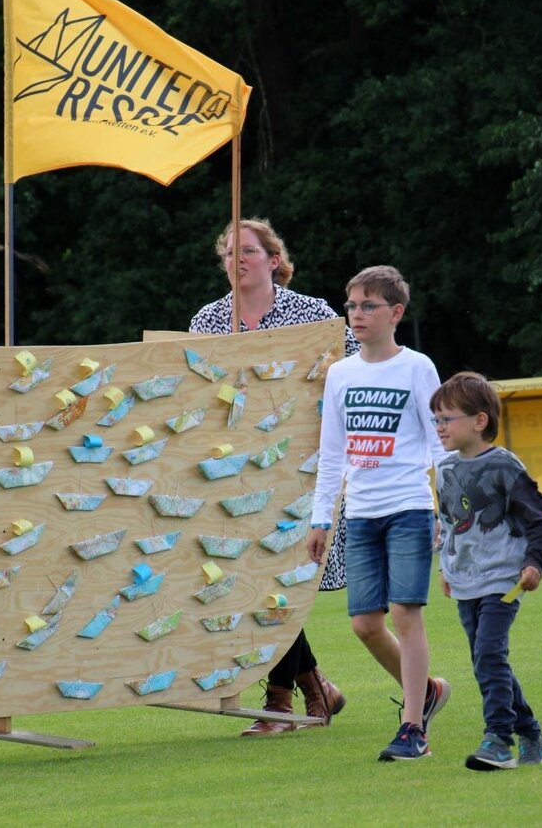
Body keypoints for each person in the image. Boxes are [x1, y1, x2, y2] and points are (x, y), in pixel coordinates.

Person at [189, 217, 354, 735]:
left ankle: (281, 703)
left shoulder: (312, 314)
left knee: (279, 578)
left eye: (249, 252)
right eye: (230, 254)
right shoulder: (209, 321)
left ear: (274, 260)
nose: (238, 261)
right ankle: (314, 690)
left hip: (301, 471)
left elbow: (347, 379)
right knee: (254, 582)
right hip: (234, 477)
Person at [306, 265, 451, 762]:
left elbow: (440, 444)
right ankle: (427, 690)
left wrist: (446, 512)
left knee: (407, 614)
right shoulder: (340, 374)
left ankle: (413, 728)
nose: (356, 315)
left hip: (409, 506)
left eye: (368, 306)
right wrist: (321, 517)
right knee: (365, 625)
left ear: (396, 313)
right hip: (361, 514)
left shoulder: (417, 367)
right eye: (351, 306)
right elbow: (331, 453)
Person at [430, 371, 542, 770]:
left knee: (489, 654)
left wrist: (534, 562)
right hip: (465, 581)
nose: (439, 427)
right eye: (436, 420)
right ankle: (533, 736)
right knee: (486, 660)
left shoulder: (504, 466)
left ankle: (499, 740)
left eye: (447, 419)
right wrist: (446, 568)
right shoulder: (446, 470)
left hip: (503, 580)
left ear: (479, 421)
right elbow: (449, 525)